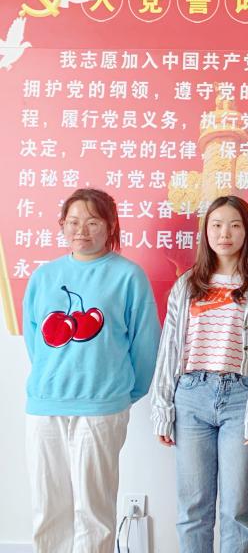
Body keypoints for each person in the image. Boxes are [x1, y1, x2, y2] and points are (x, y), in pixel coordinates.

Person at [22, 188, 160, 553]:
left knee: (94, 511)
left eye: (93, 222)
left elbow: (146, 343)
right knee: (48, 508)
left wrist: (122, 394)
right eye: (73, 222)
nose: (81, 230)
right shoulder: (44, 276)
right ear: (62, 225)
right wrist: (52, 380)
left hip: (102, 406)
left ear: (111, 225)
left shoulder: (128, 276)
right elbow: (35, 341)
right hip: (46, 404)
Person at [151, 195, 248, 553]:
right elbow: (170, 348)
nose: (225, 233)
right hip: (191, 396)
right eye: (217, 225)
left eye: (235, 225)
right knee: (193, 507)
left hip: (241, 398)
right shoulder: (188, 284)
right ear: (206, 232)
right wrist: (162, 408)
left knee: (238, 507)